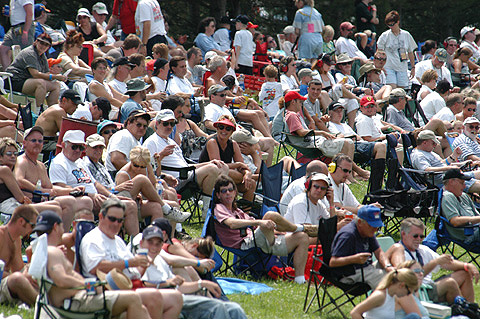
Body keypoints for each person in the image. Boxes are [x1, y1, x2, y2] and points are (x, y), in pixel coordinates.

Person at [213, 174, 311, 283]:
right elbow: (231, 223)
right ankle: (298, 227)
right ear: (218, 195)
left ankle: (299, 280)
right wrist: (260, 222)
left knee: (302, 237)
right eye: (223, 191)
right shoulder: (219, 208)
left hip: (261, 241)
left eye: (230, 190)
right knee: (270, 215)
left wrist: (278, 232)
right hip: (246, 245)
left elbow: (255, 225)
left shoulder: (237, 211)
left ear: (235, 192)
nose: (228, 193)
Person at [138, 225, 248, 319]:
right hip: (168, 299)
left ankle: (217, 298)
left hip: (178, 295)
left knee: (234, 308)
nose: (154, 247)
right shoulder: (138, 261)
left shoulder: (160, 261)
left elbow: (179, 287)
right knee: (217, 307)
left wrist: (201, 284)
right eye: (150, 242)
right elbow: (141, 285)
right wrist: (168, 283)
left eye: (158, 244)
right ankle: (217, 299)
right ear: (141, 243)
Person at [386, 217, 478, 303]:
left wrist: (467, 265)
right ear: (403, 234)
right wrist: (435, 263)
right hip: (417, 291)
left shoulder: (422, 249)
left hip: (429, 287)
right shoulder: (400, 252)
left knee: (464, 273)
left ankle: (470, 310)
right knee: (450, 283)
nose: (419, 239)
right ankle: (465, 310)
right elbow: (408, 279)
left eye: (421, 236)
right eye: (415, 236)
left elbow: (447, 263)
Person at [14, 126, 89, 229]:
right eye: (33, 140)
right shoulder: (21, 161)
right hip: (27, 204)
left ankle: (62, 236)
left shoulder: (40, 165)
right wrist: (40, 190)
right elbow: (19, 180)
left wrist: (71, 190)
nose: (37, 143)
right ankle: (56, 238)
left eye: (40, 141)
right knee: (57, 207)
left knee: (70, 201)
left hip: (42, 201)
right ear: (25, 143)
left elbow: (51, 188)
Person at [144, 109, 228, 199]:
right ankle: (207, 209)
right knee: (212, 169)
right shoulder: (152, 142)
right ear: (157, 124)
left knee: (222, 166)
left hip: (186, 173)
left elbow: (186, 165)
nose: (169, 126)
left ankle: (219, 203)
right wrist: (162, 155)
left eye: (172, 124)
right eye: (165, 123)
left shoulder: (171, 142)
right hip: (177, 179)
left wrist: (209, 162)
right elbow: (147, 167)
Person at [330, 205, 394, 289]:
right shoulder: (348, 235)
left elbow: (379, 252)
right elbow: (333, 262)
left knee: (397, 249)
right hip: (350, 275)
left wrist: (387, 266)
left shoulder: (368, 231)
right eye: (372, 225)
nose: (375, 229)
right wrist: (354, 259)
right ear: (359, 222)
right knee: (391, 279)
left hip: (367, 268)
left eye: (377, 226)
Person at [198, 116, 255, 201]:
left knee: (251, 183)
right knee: (229, 173)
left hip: (225, 177)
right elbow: (219, 165)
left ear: (232, 131)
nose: (224, 131)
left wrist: (247, 173)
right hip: (208, 178)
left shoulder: (233, 144)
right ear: (217, 128)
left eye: (228, 128)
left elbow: (242, 166)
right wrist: (238, 165)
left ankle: (244, 212)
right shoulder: (212, 142)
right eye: (221, 127)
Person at [4, 33, 66, 107]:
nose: (43, 46)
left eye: (46, 45)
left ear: (48, 47)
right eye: (41, 43)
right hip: (14, 80)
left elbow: (46, 73)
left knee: (56, 85)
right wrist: (55, 77)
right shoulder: (30, 53)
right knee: (41, 83)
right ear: (36, 42)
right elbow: (35, 74)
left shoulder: (42, 56)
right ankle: (37, 111)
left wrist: (57, 77)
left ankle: (52, 110)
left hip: (27, 81)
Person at [0, 205, 38, 306]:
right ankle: (43, 306)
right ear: (21, 221)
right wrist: (21, 276)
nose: (32, 231)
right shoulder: (1, 235)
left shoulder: (16, 240)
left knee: (35, 274)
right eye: (32, 226)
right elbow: (16, 276)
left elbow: (19, 269)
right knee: (17, 279)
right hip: (3, 283)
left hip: (7, 285)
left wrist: (30, 270)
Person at [350, 269, 420, 319]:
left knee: (414, 316)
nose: (407, 295)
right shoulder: (380, 296)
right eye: (408, 292)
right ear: (401, 285)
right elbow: (355, 313)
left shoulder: (392, 296)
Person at [376, 11, 417, 88]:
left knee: (401, 90)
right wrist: (380, 67)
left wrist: (413, 67)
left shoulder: (406, 35)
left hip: (402, 67)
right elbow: (378, 52)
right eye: (389, 25)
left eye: (392, 24)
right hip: (388, 67)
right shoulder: (385, 35)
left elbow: (411, 52)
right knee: (391, 88)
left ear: (397, 22)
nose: (391, 27)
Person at [35, 89, 82, 155]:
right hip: (43, 145)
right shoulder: (59, 111)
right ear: (64, 100)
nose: (76, 107)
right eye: (74, 104)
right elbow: (67, 134)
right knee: (74, 149)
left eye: (77, 105)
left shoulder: (57, 108)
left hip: (47, 142)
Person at [441, 168, 480, 245]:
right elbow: (455, 221)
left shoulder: (464, 196)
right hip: (468, 235)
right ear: (451, 182)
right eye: (462, 183)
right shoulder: (447, 197)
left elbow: (477, 215)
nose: (465, 186)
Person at [0, 0, 35, 69]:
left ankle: (28, 73)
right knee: (3, 48)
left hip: (24, 26)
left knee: (26, 52)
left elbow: (29, 13)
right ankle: (8, 73)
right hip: (14, 28)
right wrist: (9, 14)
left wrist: (25, 31)